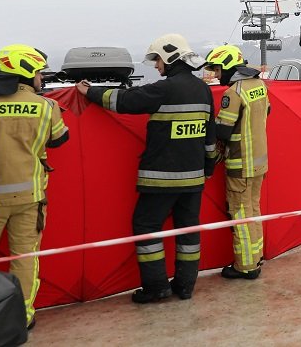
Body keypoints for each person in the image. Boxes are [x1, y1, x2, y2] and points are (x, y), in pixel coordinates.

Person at [76, 34, 217, 303]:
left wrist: (89, 91)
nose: (155, 66)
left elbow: (125, 101)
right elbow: (209, 138)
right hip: (194, 179)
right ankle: (185, 286)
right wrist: (208, 167)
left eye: (157, 60)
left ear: (169, 58)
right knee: (188, 230)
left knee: (147, 226)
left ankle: (156, 287)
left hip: (161, 180)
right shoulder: (203, 90)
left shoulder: (164, 89)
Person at [0, 45, 69, 330]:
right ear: (26, 72)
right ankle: (22, 316)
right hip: (31, 200)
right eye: (39, 73)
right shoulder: (48, 107)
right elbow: (59, 140)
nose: (42, 79)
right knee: (25, 259)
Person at [204, 44, 269, 280]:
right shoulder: (259, 85)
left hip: (240, 163)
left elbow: (222, 131)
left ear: (229, 67)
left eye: (218, 70)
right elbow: (267, 112)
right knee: (253, 210)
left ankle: (246, 266)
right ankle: (256, 256)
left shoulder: (233, 93)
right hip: (260, 162)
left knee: (240, 215)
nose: (217, 75)